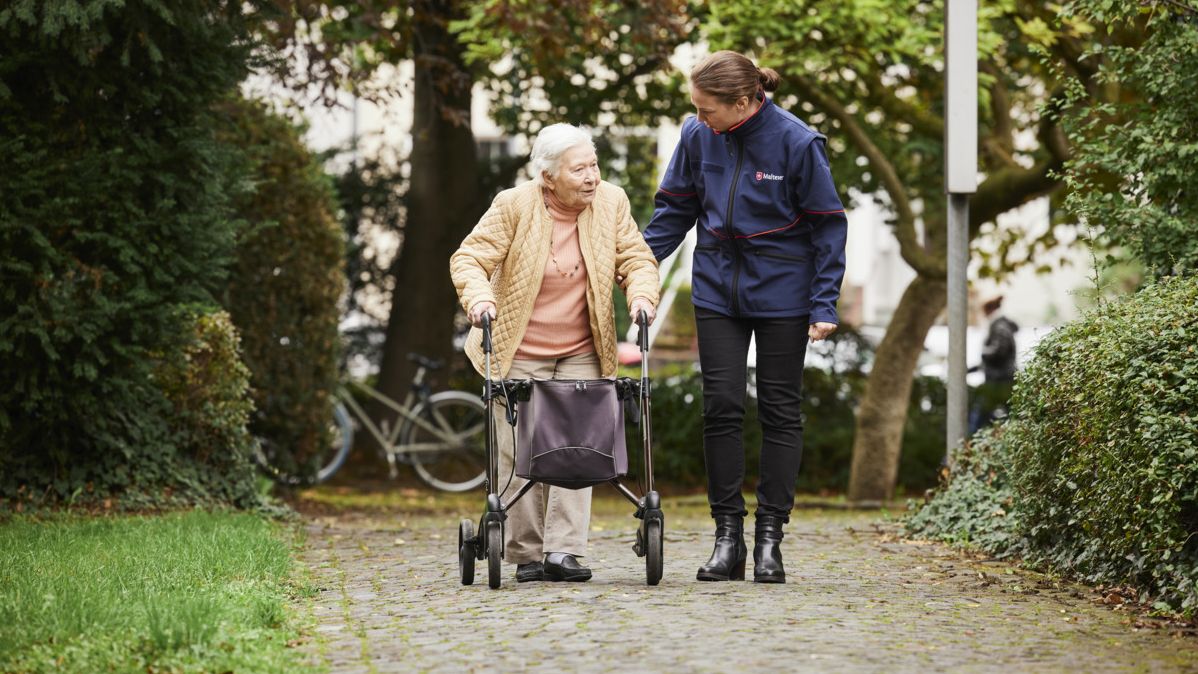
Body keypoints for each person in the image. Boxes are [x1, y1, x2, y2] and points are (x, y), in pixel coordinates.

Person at [642, 51, 848, 583]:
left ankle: (770, 539)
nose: (699, 117)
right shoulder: (696, 134)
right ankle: (727, 537)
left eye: (708, 109)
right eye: (696, 108)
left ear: (742, 102)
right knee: (721, 407)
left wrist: (824, 301)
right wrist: (639, 261)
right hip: (715, 287)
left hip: (784, 290)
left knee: (780, 410)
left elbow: (827, 225)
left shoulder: (797, 141)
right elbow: (675, 208)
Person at [450, 123, 660, 583]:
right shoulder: (514, 204)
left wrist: (642, 295)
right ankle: (526, 552)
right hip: (518, 345)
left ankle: (564, 552)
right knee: (519, 448)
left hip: (583, 344)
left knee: (579, 444)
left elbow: (636, 258)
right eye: (579, 169)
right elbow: (469, 259)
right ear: (548, 177)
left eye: (594, 165)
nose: (592, 177)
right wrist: (480, 298)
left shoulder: (611, 201)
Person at [968, 295, 1019, 434]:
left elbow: (999, 350)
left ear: (988, 310)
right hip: (1002, 379)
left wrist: (984, 353)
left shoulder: (999, 326)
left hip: (998, 381)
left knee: (979, 417)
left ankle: (968, 446)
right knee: (1009, 415)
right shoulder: (1000, 325)